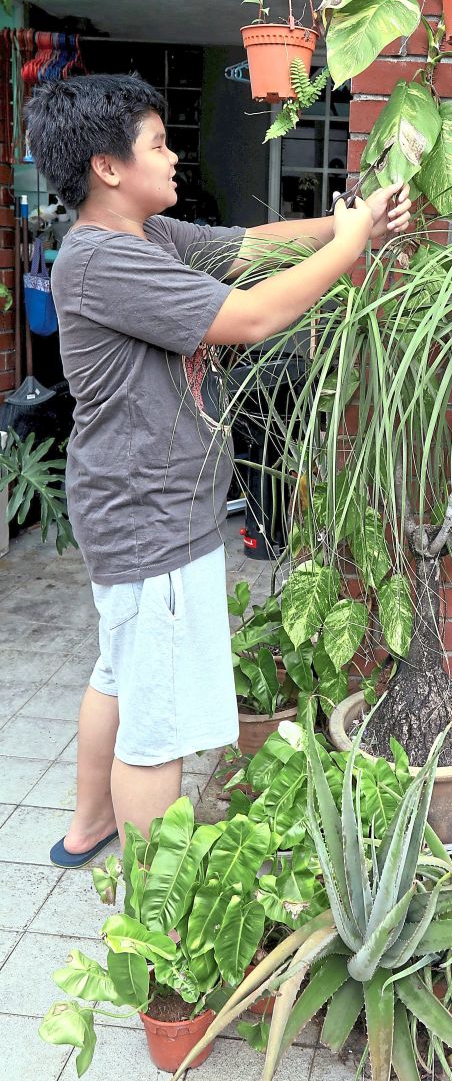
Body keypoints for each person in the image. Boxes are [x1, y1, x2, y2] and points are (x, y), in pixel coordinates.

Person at [25, 73, 412, 863]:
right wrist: (349, 249)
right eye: (158, 144)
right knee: (157, 726)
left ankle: (90, 825)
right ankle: (157, 907)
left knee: (119, 671)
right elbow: (252, 316)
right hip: (152, 518)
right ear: (107, 168)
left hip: (138, 508)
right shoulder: (103, 260)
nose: (173, 158)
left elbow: (252, 247)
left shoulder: (147, 236)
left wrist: (353, 222)